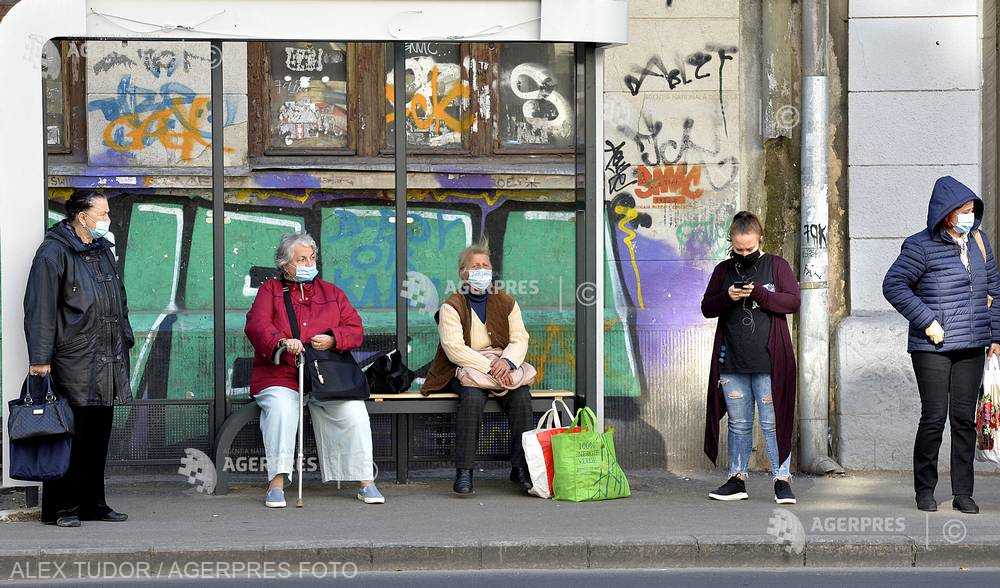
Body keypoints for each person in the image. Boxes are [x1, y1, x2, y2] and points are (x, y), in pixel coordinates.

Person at [883, 176, 1000, 514]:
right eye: (963, 211)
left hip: (972, 344)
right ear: (947, 214)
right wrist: (927, 321)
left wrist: (994, 336)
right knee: (934, 417)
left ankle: (964, 492)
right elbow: (894, 285)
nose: (969, 216)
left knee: (964, 419)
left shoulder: (979, 241)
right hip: (931, 345)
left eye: (972, 210)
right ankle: (925, 490)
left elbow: (995, 289)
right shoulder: (919, 246)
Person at [244, 232, 384, 508]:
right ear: (285, 265)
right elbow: (256, 325)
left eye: (312, 258)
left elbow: (355, 329)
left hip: (324, 378)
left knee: (353, 412)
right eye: (301, 259)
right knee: (282, 412)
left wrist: (334, 338)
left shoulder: (331, 293)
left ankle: (365, 481)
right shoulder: (270, 290)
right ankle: (277, 483)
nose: (309, 263)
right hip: (282, 376)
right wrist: (282, 343)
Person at [25, 193, 134, 527]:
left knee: (97, 436)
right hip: (73, 360)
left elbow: (119, 301)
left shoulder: (102, 252)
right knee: (68, 435)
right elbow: (39, 307)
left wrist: (125, 337)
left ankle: (93, 503)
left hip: (107, 359)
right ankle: (62, 508)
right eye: (102, 212)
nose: (107, 218)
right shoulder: (53, 253)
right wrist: (40, 358)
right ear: (81, 216)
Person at [701, 211, 801, 504]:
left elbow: (793, 301)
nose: (744, 253)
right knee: (739, 423)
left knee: (772, 422)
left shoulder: (776, 265)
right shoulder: (723, 270)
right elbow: (707, 307)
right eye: (738, 248)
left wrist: (759, 293)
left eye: (749, 248)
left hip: (770, 362)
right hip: (731, 360)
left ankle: (781, 480)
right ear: (731, 242)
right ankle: (737, 479)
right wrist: (727, 297)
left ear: (760, 239)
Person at [420, 241, 533, 495]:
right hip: (466, 368)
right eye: (475, 266)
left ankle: (521, 468)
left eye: (485, 266)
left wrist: (506, 362)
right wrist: (492, 366)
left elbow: (520, 338)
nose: (481, 270)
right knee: (471, 399)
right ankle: (464, 472)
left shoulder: (506, 301)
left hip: (503, 365)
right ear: (464, 273)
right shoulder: (452, 305)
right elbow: (454, 349)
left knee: (522, 398)